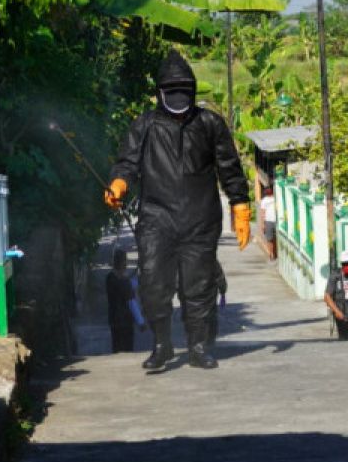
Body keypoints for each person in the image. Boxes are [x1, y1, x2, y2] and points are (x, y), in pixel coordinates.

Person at [104, 48, 251, 371]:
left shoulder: (210, 123)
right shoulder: (144, 126)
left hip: (201, 220)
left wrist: (240, 206)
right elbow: (127, 162)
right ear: (160, 93)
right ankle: (162, 345)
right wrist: (119, 185)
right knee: (154, 282)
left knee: (197, 287)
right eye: (172, 92)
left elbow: (229, 167)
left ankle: (198, 347)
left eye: (184, 91)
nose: (178, 97)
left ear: (193, 91)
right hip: (157, 219)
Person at [105, 249, 137, 353]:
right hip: (123, 320)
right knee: (124, 348)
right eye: (125, 261)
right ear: (122, 262)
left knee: (118, 347)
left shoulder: (111, 278)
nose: (126, 264)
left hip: (116, 319)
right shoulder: (118, 279)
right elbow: (130, 296)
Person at [259, 187, 277, 259]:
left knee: (269, 239)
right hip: (275, 221)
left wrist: (263, 224)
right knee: (274, 239)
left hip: (268, 221)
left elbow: (263, 213)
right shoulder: (275, 199)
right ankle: (273, 253)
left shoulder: (264, 201)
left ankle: (271, 253)